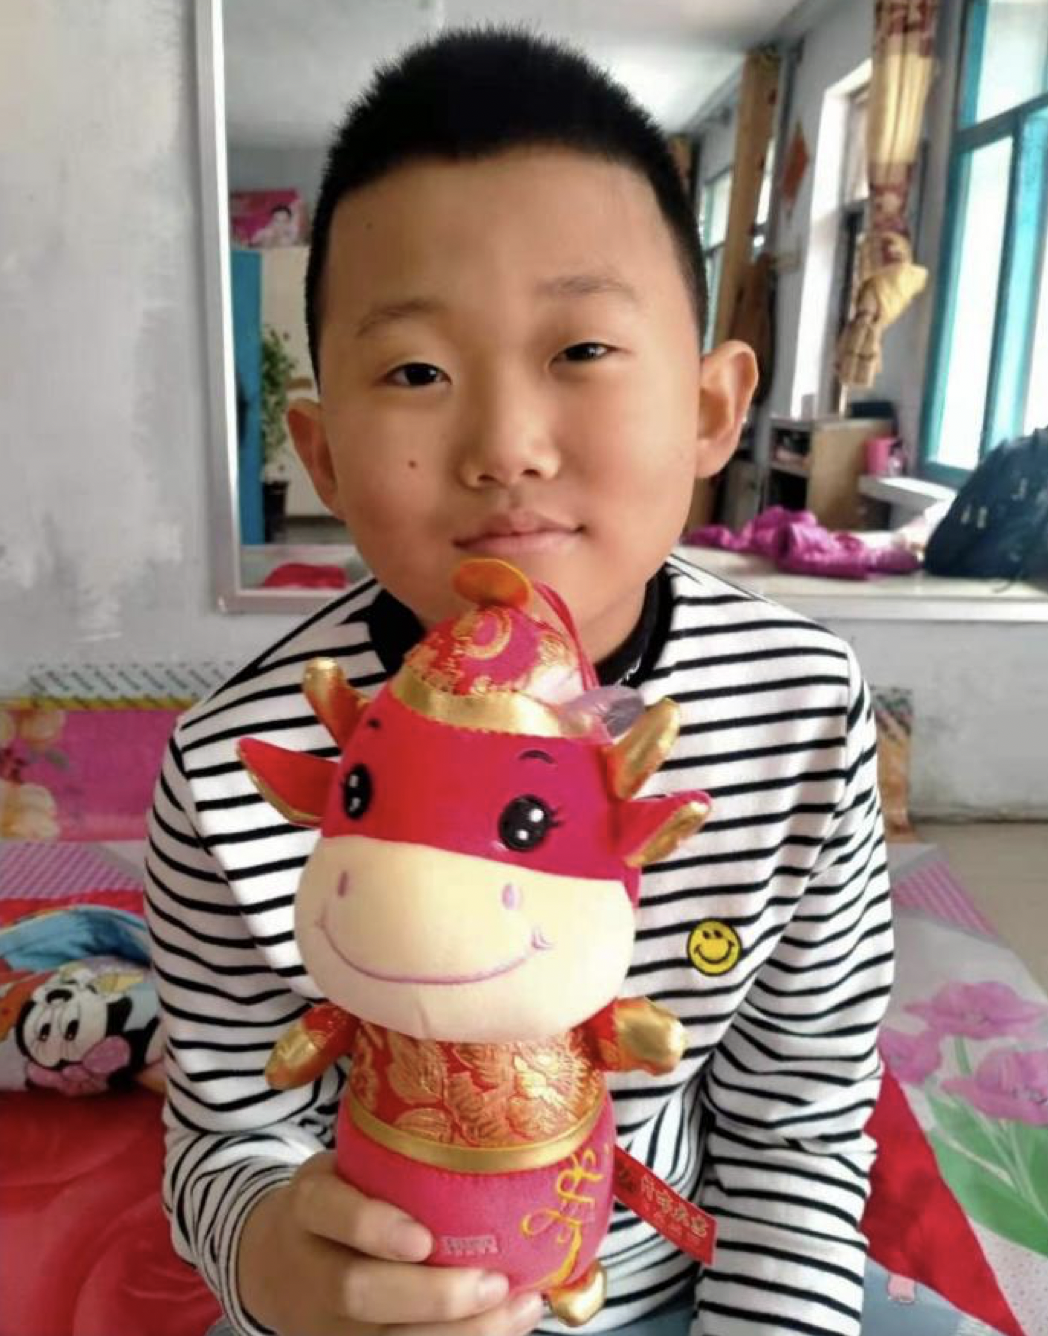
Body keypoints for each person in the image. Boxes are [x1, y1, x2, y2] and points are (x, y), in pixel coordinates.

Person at [145, 26, 893, 1336]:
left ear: (713, 410)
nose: (505, 447)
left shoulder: (799, 713)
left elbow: (801, 1128)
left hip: (673, 1275)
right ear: (320, 456)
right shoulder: (230, 773)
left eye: (583, 353)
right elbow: (224, 1140)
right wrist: (275, 1266)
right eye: (417, 372)